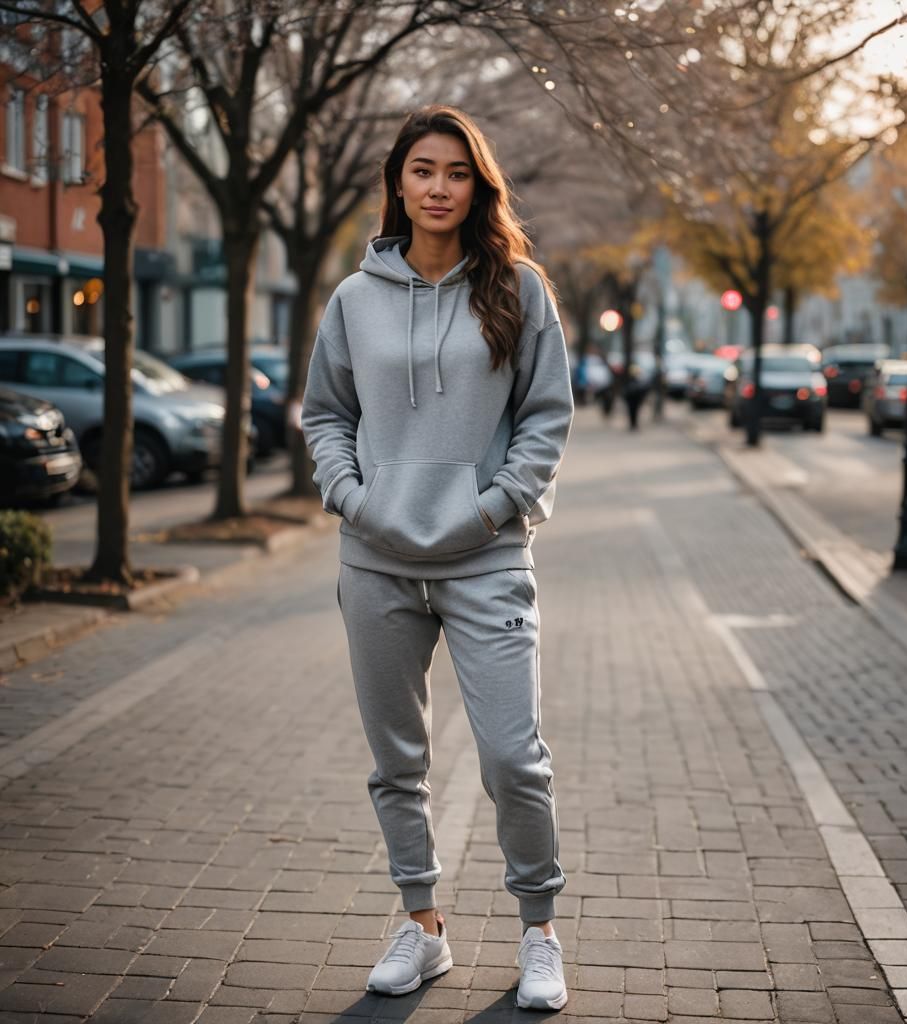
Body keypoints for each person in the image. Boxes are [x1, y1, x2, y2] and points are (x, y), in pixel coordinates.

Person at [301, 105, 574, 1012]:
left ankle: (538, 930)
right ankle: (420, 928)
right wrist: (353, 497)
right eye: (423, 170)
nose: (439, 187)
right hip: (374, 560)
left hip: (487, 557)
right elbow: (326, 415)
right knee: (396, 760)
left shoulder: (519, 289)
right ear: (399, 182)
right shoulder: (354, 299)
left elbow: (545, 416)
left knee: (512, 758)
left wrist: (496, 505)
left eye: (457, 173)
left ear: (478, 185)